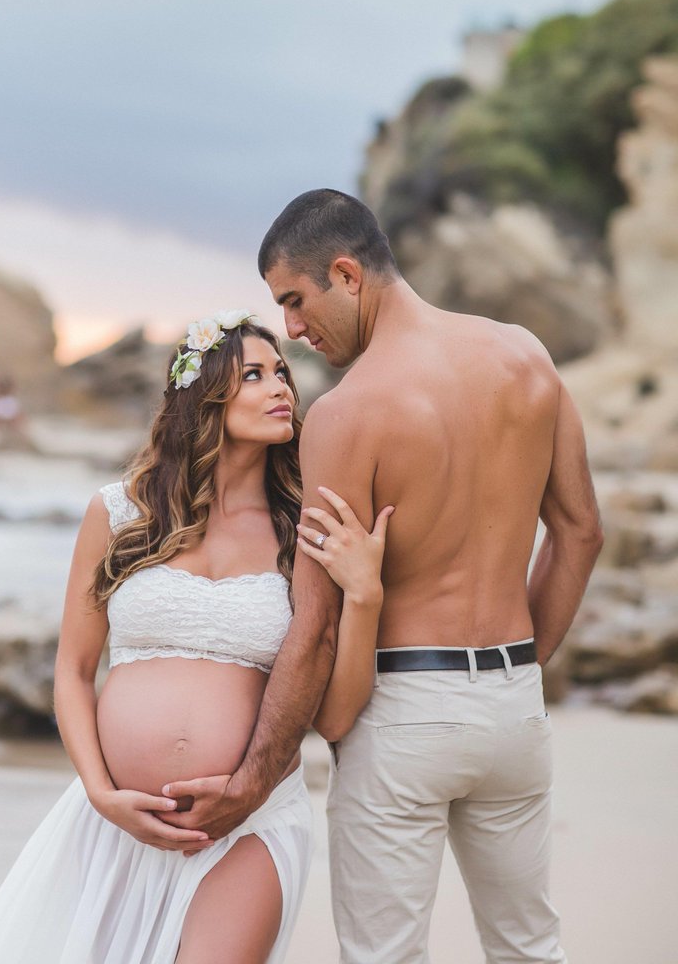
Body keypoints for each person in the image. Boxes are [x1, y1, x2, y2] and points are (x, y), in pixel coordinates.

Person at [164, 191, 604, 964]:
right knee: (531, 947)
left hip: (403, 715)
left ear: (347, 272)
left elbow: (319, 621)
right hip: (513, 712)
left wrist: (253, 780)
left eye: (297, 302)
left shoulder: (348, 414)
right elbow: (580, 532)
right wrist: (519, 670)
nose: (294, 329)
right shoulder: (526, 357)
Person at [0, 310, 387, 964]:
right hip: (113, 826)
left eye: (282, 375)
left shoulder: (305, 530)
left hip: (250, 825)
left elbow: (336, 714)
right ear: (204, 393)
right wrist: (102, 794)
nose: (281, 391)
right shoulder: (119, 512)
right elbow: (73, 672)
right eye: (254, 375)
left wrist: (367, 597)